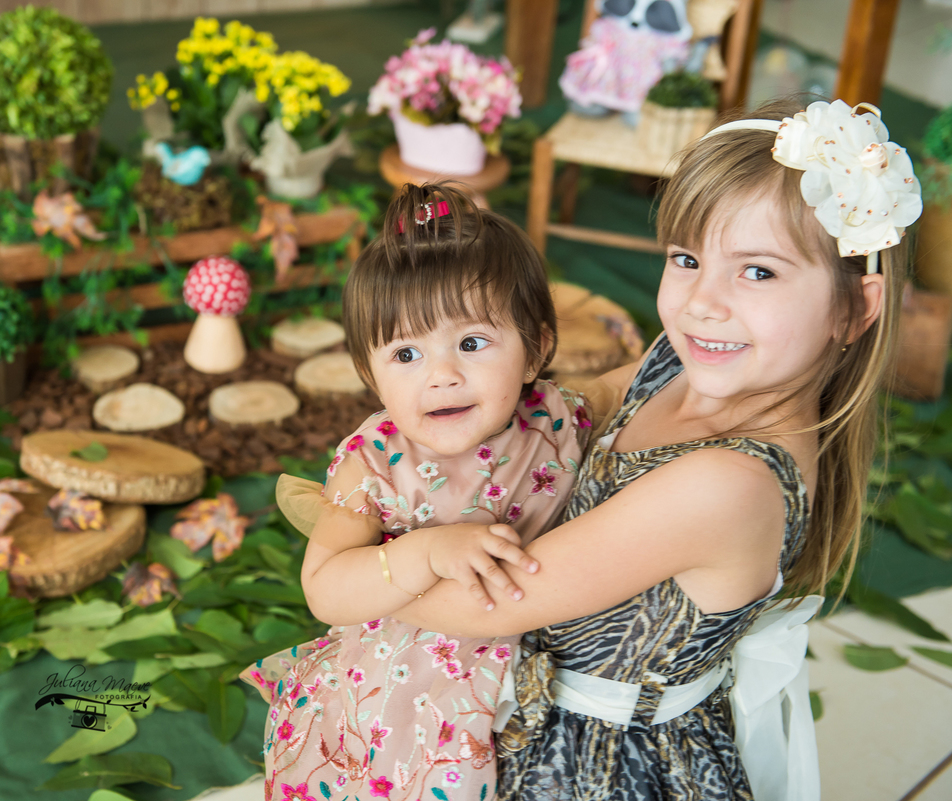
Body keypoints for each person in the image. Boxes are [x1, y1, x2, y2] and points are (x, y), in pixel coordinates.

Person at [299, 98, 917, 801]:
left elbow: (488, 604)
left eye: (758, 271)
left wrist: (378, 541)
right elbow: (555, 407)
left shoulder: (729, 483)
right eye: (688, 258)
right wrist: (407, 452)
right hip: (518, 701)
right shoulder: (683, 363)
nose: (702, 302)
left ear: (854, 309)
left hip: (596, 763)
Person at [241, 182, 592, 798]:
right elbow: (324, 587)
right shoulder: (374, 462)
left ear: (535, 350)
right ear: (369, 375)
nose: (443, 375)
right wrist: (421, 554)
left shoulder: (557, 418)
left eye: (473, 343)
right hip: (412, 689)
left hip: (552, 658)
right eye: (406, 353)